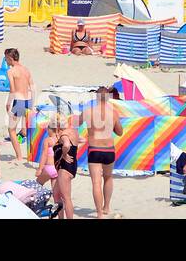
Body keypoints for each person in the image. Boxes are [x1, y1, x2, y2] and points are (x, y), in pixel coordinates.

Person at [84, 85, 123, 218]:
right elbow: (120, 132)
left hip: (94, 149)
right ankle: (106, 207)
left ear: (96, 97)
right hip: (109, 149)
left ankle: (99, 213)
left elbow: (75, 123)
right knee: (108, 178)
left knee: (96, 182)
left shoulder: (89, 111)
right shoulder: (113, 112)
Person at [36, 117, 77, 219]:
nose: (47, 131)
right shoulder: (59, 139)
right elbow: (78, 141)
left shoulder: (51, 139)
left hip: (53, 168)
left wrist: (40, 169)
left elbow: (44, 155)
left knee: (37, 185)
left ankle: (38, 206)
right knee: (57, 195)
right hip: (58, 169)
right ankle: (60, 217)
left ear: (51, 129)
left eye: (47, 129)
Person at [4, 48, 32, 161]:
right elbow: (32, 87)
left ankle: (19, 157)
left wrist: (8, 102)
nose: (6, 62)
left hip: (19, 101)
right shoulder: (26, 70)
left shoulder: (11, 71)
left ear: (10, 59)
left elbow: (12, 88)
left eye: (6, 59)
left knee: (11, 129)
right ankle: (31, 155)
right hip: (28, 100)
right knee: (27, 129)